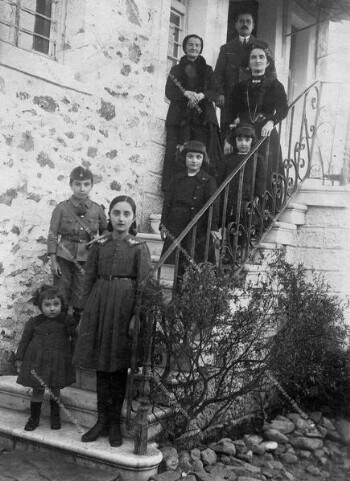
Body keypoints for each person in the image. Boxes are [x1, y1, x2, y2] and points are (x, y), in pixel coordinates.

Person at [73, 195, 153, 447]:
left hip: (124, 307)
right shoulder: (100, 245)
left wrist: (135, 316)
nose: (121, 218)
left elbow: (144, 284)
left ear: (133, 218)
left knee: (118, 366)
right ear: (110, 216)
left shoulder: (138, 247)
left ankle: (115, 424)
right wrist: (84, 311)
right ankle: (101, 421)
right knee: (101, 364)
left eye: (126, 214)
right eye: (116, 213)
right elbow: (87, 280)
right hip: (99, 304)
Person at [162, 34, 223, 191]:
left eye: (197, 45)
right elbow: (169, 91)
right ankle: (176, 190)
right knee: (178, 153)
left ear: (201, 48)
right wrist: (186, 94)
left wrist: (201, 96)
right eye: (190, 45)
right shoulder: (176, 69)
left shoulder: (208, 70)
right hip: (180, 119)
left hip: (202, 119)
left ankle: (200, 190)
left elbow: (215, 91)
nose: (194, 48)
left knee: (200, 152)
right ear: (184, 47)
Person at [47, 166, 108, 325]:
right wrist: (53, 260)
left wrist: (100, 239)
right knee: (61, 295)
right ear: (71, 185)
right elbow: (53, 235)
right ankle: (60, 332)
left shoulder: (97, 209)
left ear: (92, 185)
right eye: (78, 184)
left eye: (86, 184)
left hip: (87, 261)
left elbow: (106, 232)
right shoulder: (61, 208)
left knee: (82, 297)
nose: (82, 188)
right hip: (64, 258)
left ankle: (76, 334)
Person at [15, 285, 77, 431]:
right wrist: (19, 357)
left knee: (55, 390)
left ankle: (55, 418)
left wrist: (74, 355)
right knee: (37, 390)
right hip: (38, 361)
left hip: (57, 361)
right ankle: (34, 419)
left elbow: (75, 338)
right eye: (47, 305)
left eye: (56, 304)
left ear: (62, 305)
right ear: (40, 306)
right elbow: (24, 340)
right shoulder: (34, 322)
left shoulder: (66, 321)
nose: (52, 308)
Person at [228, 44, 288, 194]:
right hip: (244, 133)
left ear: (268, 63)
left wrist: (271, 121)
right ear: (248, 62)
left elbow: (283, 109)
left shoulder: (275, 85)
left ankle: (266, 210)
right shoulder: (240, 87)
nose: (257, 60)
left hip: (265, 132)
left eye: (262, 57)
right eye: (253, 57)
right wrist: (235, 122)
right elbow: (232, 110)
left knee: (266, 168)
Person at [160, 141, 221, 279]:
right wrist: (163, 224)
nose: (194, 161)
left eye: (198, 157)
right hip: (176, 223)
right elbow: (167, 203)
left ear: (203, 159)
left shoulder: (207, 181)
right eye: (190, 156)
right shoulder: (177, 179)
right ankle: (176, 289)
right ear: (184, 158)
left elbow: (213, 205)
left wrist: (213, 227)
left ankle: (193, 291)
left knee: (195, 260)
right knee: (176, 260)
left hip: (197, 225)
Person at [214, 10, 276, 138]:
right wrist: (219, 93)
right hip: (230, 98)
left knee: (252, 133)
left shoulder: (262, 46)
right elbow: (218, 73)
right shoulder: (226, 48)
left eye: (248, 21)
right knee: (228, 133)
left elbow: (271, 73)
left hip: (254, 97)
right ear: (236, 25)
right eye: (241, 21)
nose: (245, 24)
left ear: (253, 25)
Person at [219, 123, 266, 223]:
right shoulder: (228, 159)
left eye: (247, 140)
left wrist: (257, 195)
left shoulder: (257, 159)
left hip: (248, 197)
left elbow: (261, 179)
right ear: (235, 141)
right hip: (230, 198)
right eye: (239, 140)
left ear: (252, 141)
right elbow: (221, 178)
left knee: (247, 221)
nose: (243, 143)